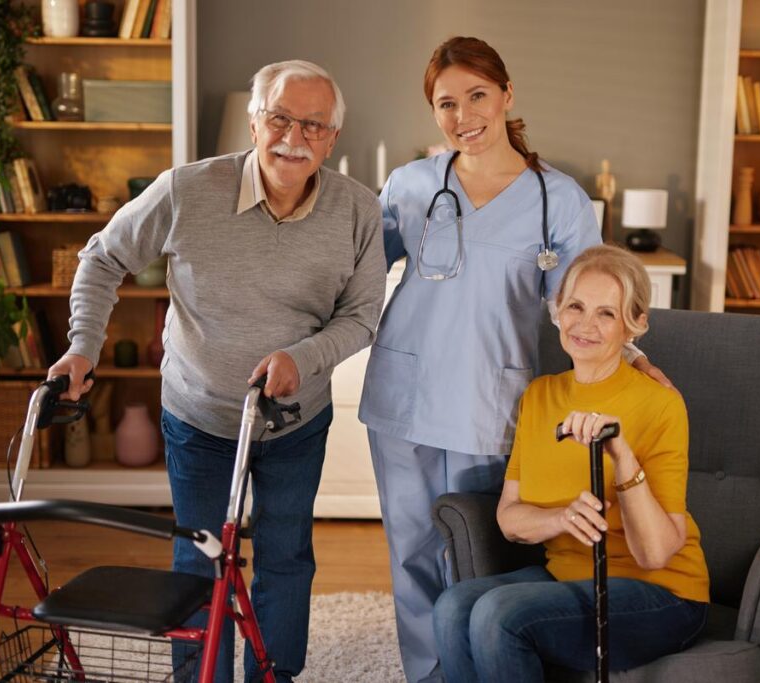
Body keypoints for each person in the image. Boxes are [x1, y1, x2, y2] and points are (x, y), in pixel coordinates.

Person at [47, 60, 386, 682]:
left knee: (285, 557)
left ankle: (272, 674)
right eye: (280, 117)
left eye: (313, 125)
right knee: (200, 557)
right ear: (256, 121)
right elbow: (101, 258)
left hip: (294, 421)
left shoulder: (359, 210)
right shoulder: (186, 190)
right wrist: (83, 348)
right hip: (197, 414)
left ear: (332, 139)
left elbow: (364, 316)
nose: (295, 137)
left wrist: (301, 359)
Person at [357, 36, 671, 683]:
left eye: (477, 95)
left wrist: (632, 355)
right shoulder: (411, 185)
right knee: (411, 549)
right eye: (446, 103)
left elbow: (591, 293)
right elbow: (355, 271)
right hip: (404, 392)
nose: (463, 114)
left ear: (506, 94)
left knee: (479, 553)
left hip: (490, 398)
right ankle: (430, 675)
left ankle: (483, 666)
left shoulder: (558, 198)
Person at [433, 245, 709, 681]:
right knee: (453, 607)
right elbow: (509, 518)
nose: (585, 324)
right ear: (558, 311)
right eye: (576, 306)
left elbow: (655, 553)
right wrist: (562, 518)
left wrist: (621, 456)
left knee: (498, 614)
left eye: (606, 314)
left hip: (662, 595)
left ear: (633, 326)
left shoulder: (660, 404)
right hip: (566, 579)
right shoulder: (540, 397)